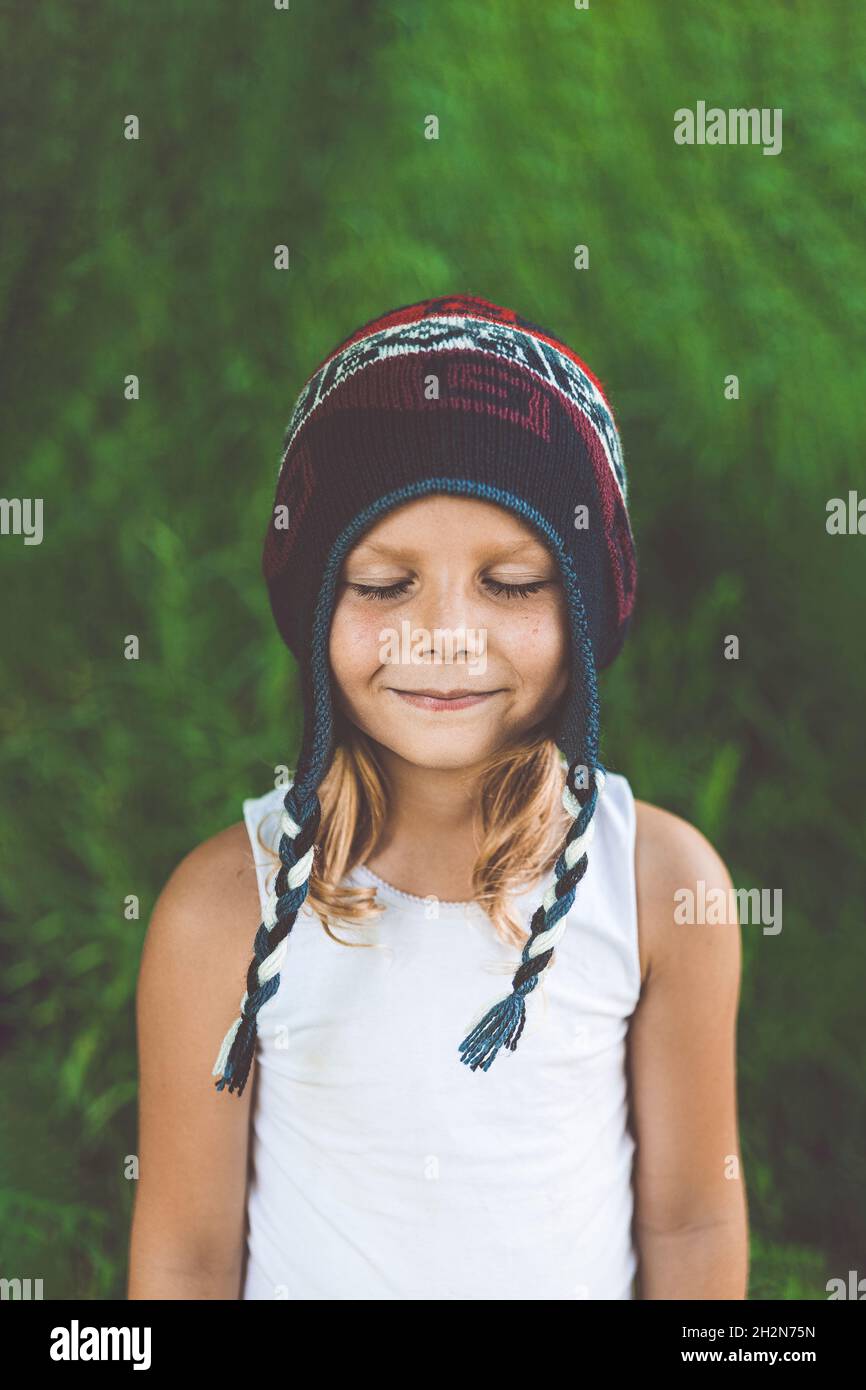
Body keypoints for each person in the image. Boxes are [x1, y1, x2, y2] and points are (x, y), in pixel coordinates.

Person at [128, 294, 748, 1300]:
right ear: (315, 597)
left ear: (586, 609)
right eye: (382, 584)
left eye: (509, 581)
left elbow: (690, 1219)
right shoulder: (221, 912)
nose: (444, 635)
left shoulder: (661, 886)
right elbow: (188, 1259)